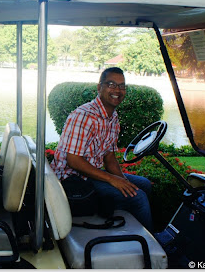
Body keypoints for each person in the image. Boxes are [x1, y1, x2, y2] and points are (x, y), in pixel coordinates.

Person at [50, 67, 153, 231]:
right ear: (99, 88)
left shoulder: (112, 118)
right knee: (138, 197)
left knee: (144, 185)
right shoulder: (84, 116)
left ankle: (125, 227)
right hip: (71, 179)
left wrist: (123, 181)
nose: (117, 90)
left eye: (121, 86)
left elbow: (109, 158)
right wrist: (113, 180)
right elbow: (73, 161)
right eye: (111, 84)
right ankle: (149, 244)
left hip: (90, 174)